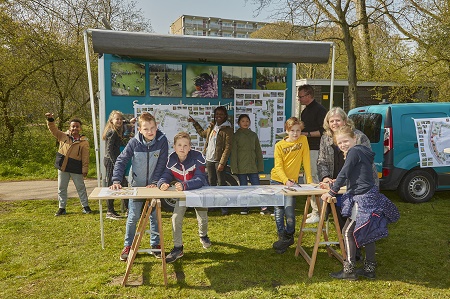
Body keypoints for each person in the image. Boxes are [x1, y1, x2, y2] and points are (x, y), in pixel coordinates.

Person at [321, 125, 399, 280]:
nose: (343, 145)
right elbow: (354, 175)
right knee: (368, 233)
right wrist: (340, 182)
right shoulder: (361, 152)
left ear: (354, 139)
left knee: (347, 232)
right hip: (369, 195)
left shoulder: (354, 151)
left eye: (346, 141)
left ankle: (349, 271)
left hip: (362, 199)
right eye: (340, 143)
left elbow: (344, 173)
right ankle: (369, 269)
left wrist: (331, 192)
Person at [110, 112, 169, 262]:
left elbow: (162, 163)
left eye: (152, 128)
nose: (150, 132)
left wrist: (155, 182)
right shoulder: (134, 143)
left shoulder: (162, 141)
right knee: (133, 216)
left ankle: (155, 245)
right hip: (136, 184)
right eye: (146, 129)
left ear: (156, 127)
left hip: (153, 186)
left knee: (155, 216)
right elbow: (121, 160)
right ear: (140, 129)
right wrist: (116, 179)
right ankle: (128, 246)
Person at [317, 107, 377, 229]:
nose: (334, 123)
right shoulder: (325, 138)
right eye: (331, 121)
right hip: (335, 183)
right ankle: (345, 241)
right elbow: (321, 161)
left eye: (337, 120)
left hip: (358, 184)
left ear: (345, 121)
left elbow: (366, 162)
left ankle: (354, 241)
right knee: (339, 211)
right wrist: (326, 177)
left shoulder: (359, 137)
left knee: (358, 217)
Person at [157, 132, 210, 263]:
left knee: (202, 215)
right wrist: (162, 183)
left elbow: (200, 178)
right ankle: (178, 248)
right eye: (179, 145)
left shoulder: (198, 157)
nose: (182, 148)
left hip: (199, 191)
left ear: (190, 147)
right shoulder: (171, 159)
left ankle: (203, 235)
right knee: (176, 218)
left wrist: (185, 185)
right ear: (174, 147)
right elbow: (166, 175)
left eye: (185, 145)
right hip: (183, 193)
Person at [271, 117, 312, 254]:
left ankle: (289, 235)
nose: (295, 133)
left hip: (292, 182)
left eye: (298, 130)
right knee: (279, 210)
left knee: (289, 211)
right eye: (292, 130)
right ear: (287, 131)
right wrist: (285, 180)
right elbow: (278, 167)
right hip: (277, 180)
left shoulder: (303, 140)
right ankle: (282, 237)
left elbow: (306, 160)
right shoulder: (279, 146)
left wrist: (310, 180)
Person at [45, 113, 92, 216]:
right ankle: (62, 208)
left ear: (80, 128)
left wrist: (85, 169)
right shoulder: (63, 136)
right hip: (63, 166)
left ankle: (85, 206)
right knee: (61, 187)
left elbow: (85, 157)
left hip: (76, 167)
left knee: (80, 187)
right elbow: (53, 129)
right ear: (69, 128)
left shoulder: (84, 142)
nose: (75, 128)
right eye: (73, 126)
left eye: (77, 126)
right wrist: (50, 120)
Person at [189, 106, 233, 215]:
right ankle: (213, 205)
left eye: (221, 114)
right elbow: (202, 134)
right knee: (211, 183)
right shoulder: (212, 127)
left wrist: (222, 162)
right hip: (209, 159)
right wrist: (195, 123)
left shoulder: (228, 129)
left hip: (218, 160)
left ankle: (224, 207)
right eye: (217, 114)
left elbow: (228, 147)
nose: (218, 116)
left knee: (221, 183)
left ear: (225, 116)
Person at [297, 84, 327, 224]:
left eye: (301, 96)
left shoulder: (320, 110)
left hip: (316, 149)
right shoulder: (305, 111)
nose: (299, 99)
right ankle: (315, 210)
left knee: (314, 179)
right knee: (308, 178)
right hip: (306, 148)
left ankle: (319, 212)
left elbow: (323, 131)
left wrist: (305, 134)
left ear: (309, 95)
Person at [230, 114, 268, 215]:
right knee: (243, 187)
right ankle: (244, 207)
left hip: (252, 167)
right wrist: (234, 168)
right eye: (243, 121)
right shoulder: (236, 136)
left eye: (247, 121)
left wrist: (260, 166)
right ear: (239, 123)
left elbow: (258, 152)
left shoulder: (253, 135)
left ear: (250, 122)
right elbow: (233, 153)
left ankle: (263, 207)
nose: (245, 123)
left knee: (257, 186)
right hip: (241, 167)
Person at [102, 110, 134, 220]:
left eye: (121, 119)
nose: (120, 121)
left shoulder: (116, 130)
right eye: (117, 119)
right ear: (111, 120)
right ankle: (110, 211)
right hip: (111, 161)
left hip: (113, 161)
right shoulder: (112, 132)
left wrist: (129, 125)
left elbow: (119, 143)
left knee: (123, 184)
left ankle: (127, 209)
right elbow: (109, 150)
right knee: (112, 185)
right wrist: (116, 164)